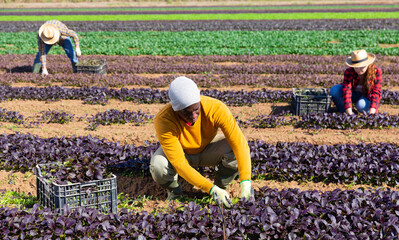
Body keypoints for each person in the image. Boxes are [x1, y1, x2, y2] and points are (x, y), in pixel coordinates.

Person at [150, 76, 253, 207]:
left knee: (234, 149)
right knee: (158, 166)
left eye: (196, 109)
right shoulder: (164, 119)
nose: (193, 116)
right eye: (186, 113)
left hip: (207, 147)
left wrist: (245, 182)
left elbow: (240, 144)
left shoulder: (216, 108)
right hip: (182, 152)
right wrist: (209, 188)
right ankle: (175, 192)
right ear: (176, 110)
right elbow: (180, 163)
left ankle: (221, 187)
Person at [330, 49, 382, 115]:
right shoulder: (349, 72)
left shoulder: (376, 72)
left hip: (367, 96)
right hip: (353, 94)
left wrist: (372, 112)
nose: (359, 70)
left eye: (362, 67)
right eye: (356, 67)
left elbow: (376, 93)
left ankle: (367, 110)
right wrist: (349, 113)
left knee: (361, 105)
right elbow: (347, 91)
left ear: (367, 64)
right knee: (335, 90)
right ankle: (344, 110)